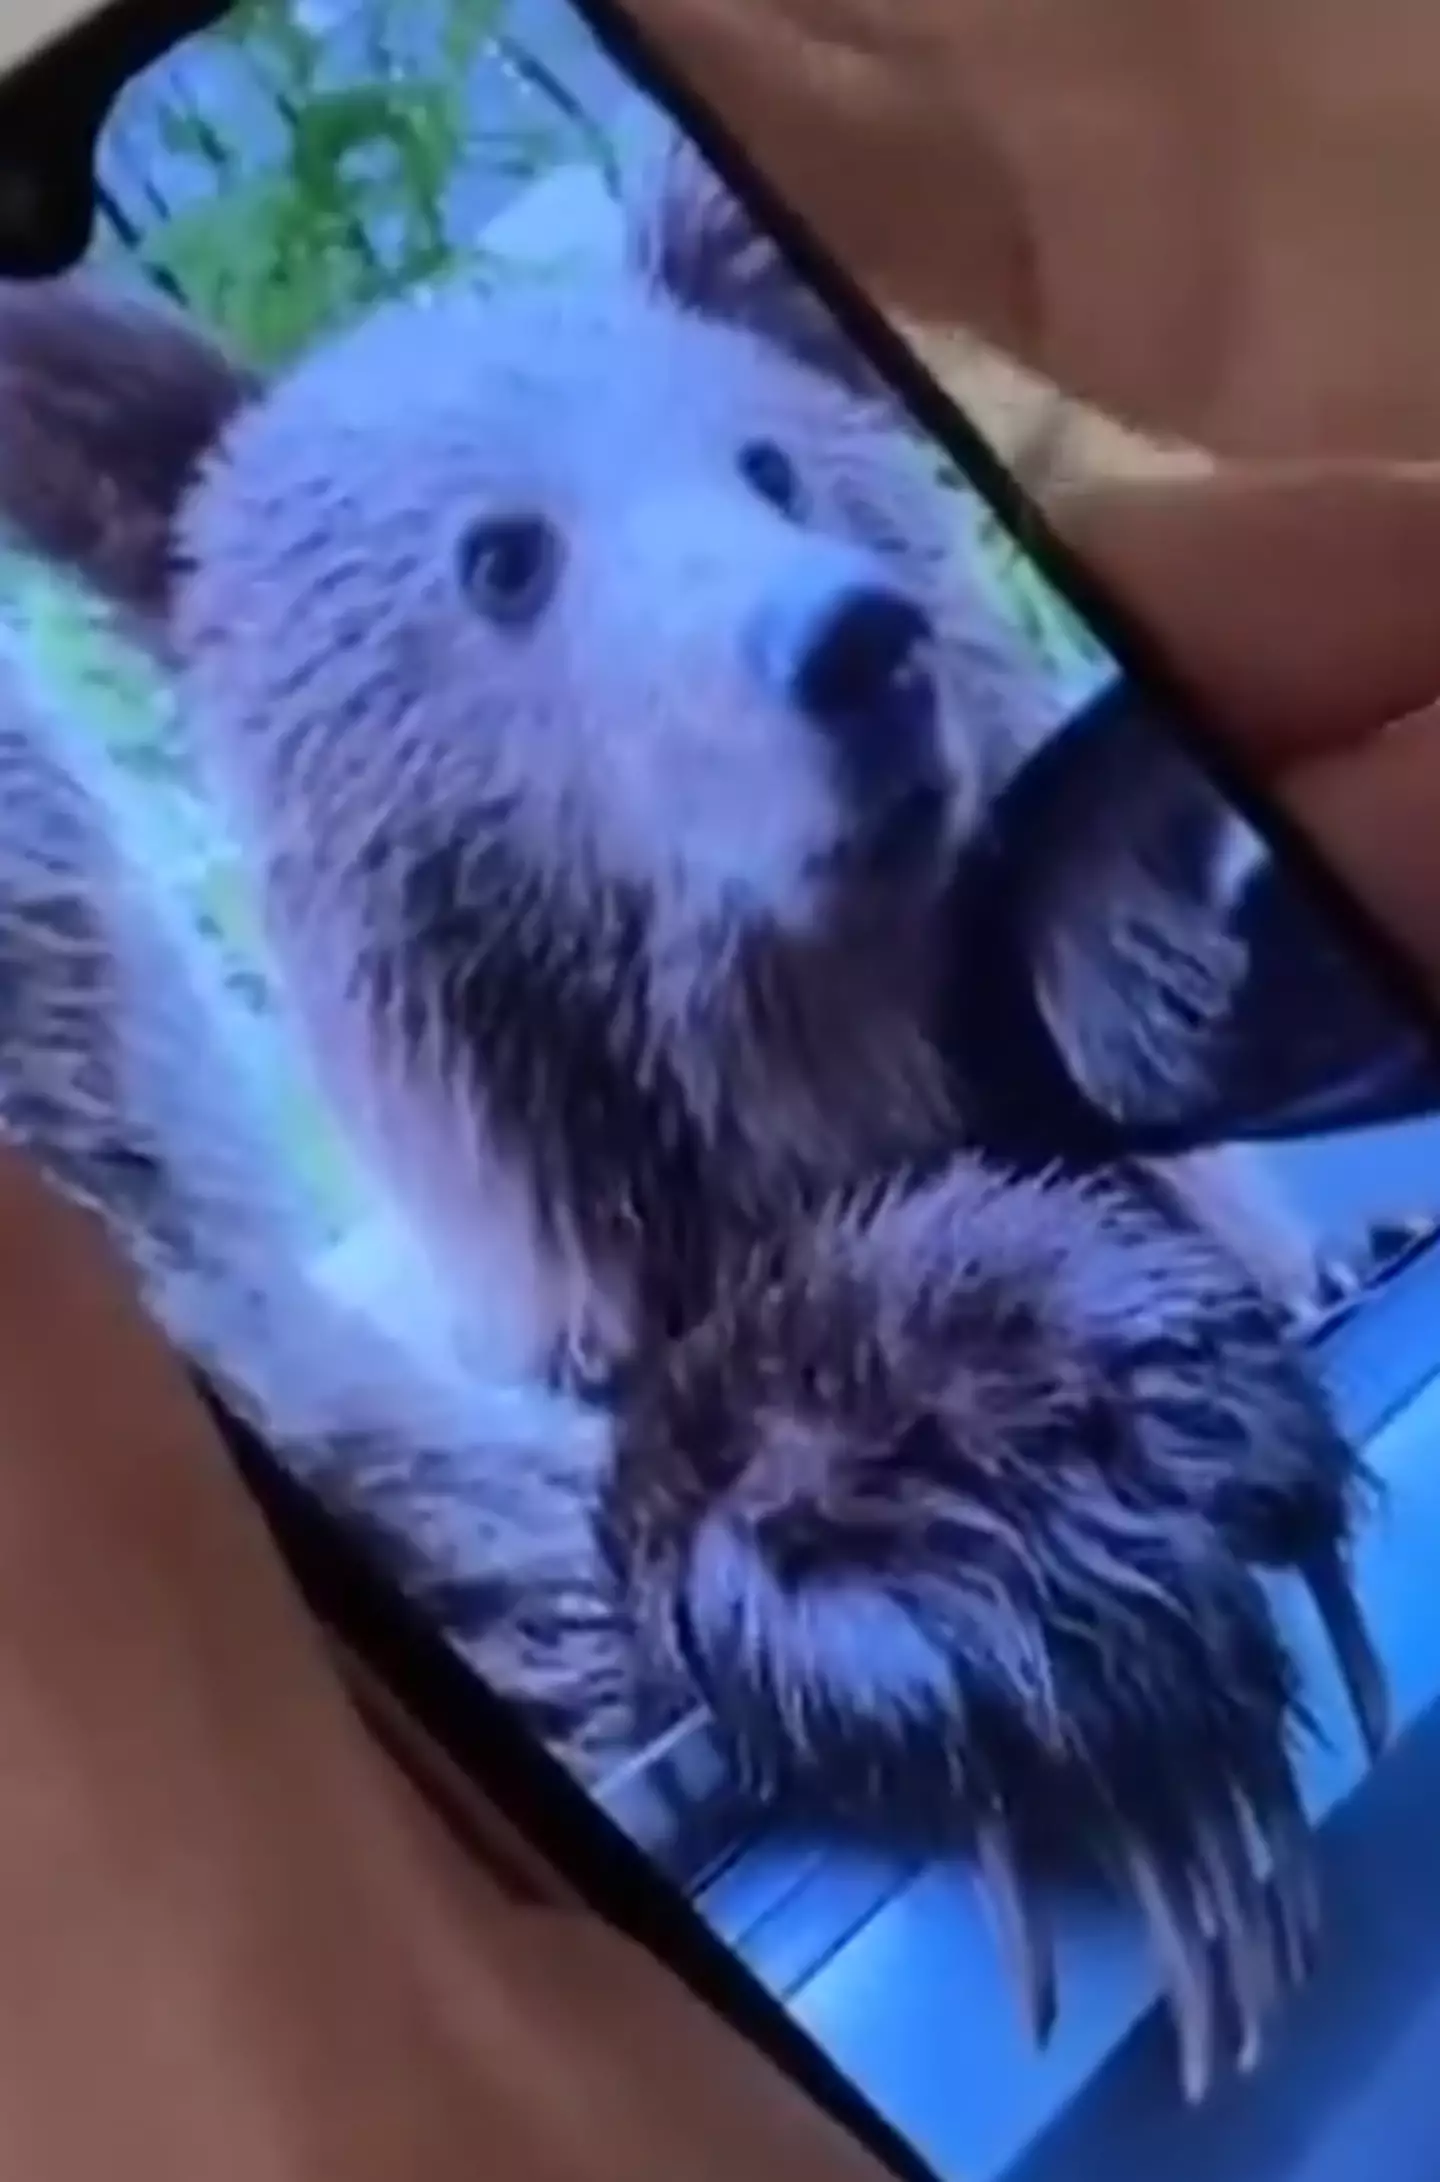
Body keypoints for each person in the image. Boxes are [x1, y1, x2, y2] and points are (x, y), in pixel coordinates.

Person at [6, 3, 1440, 2174]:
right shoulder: (491, 1482)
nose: (808, 591)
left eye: (771, 481)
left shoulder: (1221, 1000)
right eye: (511, 570)